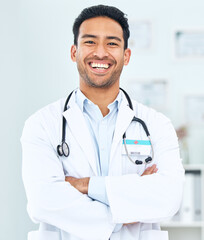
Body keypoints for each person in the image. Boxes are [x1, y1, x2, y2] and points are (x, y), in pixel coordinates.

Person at [21, 5, 184, 240]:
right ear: (73, 52)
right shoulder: (42, 124)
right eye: (89, 42)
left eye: (112, 43)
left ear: (126, 56)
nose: (100, 53)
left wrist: (85, 185)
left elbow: (168, 198)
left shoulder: (157, 124)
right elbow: (43, 201)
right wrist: (126, 211)